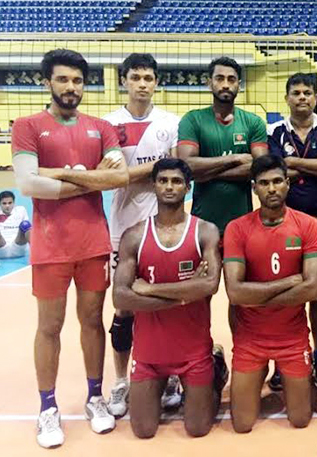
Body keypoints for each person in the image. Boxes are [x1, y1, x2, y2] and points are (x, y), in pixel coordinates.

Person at [11, 49, 128, 448]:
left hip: (93, 241)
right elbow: (27, 185)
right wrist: (83, 177)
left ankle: (95, 397)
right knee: (50, 327)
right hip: (50, 245)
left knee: (93, 320)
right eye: (63, 80)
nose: (71, 87)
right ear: (47, 82)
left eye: (77, 81)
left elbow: (118, 178)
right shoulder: (28, 125)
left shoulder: (101, 127)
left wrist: (54, 174)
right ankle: (48, 407)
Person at [112, 158, 227, 438]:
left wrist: (150, 289)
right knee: (143, 430)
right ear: (153, 186)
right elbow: (121, 297)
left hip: (193, 352)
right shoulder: (135, 236)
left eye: (176, 181)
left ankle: (216, 370)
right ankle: (169, 382)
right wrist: (186, 292)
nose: (169, 187)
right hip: (149, 354)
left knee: (198, 429)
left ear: (188, 187)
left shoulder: (205, 230)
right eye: (163, 181)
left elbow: (210, 285)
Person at [103, 52, 182, 418]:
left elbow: (179, 174)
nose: (142, 83)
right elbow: (113, 178)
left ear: (156, 82)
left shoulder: (171, 122)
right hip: (123, 229)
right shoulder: (108, 124)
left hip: (165, 228)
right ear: (124, 81)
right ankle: (120, 380)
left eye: (148, 77)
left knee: (168, 303)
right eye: (135, 77)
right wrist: (158, 167)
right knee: (125, 308)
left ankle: (169, 375)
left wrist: (136, 171)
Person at [223, 154, 317, 432]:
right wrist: (290, 282)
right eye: (264, 183)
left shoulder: (307, 225)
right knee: (242, 425)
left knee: (300, 419)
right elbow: (234, 293)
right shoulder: (237, 228)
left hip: (292, 337)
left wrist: (256, 295)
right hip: (250, 337)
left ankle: (299, 374)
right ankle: (232, 368)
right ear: (254, 187)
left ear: (288, 184)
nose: (271, 188)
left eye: (277, 181)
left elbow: (313, 288)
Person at [268, 72, 317, 388]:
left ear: (315, 98)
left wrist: (293, 163)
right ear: (287, 97)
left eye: (308, 92)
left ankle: (316, 352)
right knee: (283, 289)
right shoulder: (274, 130)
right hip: (282, 220)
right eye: (296, 92)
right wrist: (316, 162)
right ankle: (281, 359)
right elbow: (273, 169)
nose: (302, 97)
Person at [177, 56, 268, 237]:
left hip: (243, 223)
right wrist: (234, 158)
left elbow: (260, 168)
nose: (225, 84)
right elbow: (186, 167)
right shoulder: (193, 119)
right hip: (202, 224)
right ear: (209, 83)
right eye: (219, 79)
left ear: (239, 85)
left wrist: (205, 173)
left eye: (231, 79)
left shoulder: (253, 122)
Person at [0, 190, 31, 259]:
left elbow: (28, 230)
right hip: (1, 248)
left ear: (14, 203)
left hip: (19, 246)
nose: (7, 206)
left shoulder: (21, 210)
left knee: (26, 224)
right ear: (0, 204)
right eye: (4, 203)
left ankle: (37, 253)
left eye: (10, 203)